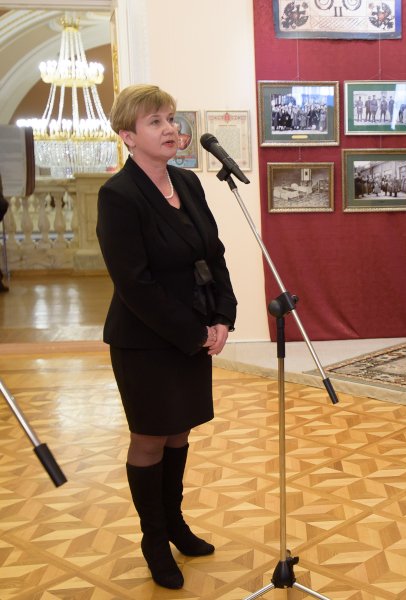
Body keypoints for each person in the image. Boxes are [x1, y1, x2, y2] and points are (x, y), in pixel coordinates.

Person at [96, 84, 237, 590]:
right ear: (128, 136)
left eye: (171, 118)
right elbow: (134, 284)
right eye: (155, 121)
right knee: (151, 437)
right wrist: (193, 332)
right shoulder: (118, 195)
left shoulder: (188, 183)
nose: (170, 129)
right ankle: (154, 539)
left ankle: (175, 522)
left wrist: (223, 316)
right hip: (145, 340)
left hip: (194, 332)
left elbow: (213, 253)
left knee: (180, 431)